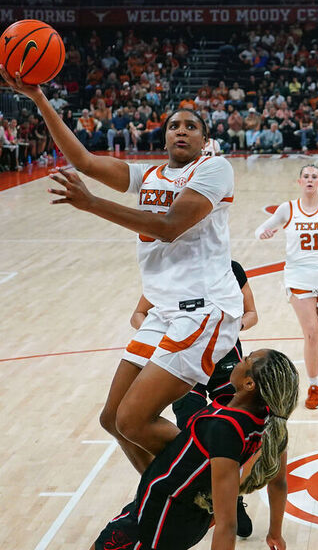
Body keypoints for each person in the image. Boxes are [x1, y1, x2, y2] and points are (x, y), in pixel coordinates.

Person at [0, 65, 243, 475]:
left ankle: (214, 482)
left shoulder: (213, 170)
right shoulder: (147, 175)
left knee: (133, 420)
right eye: (174, 126)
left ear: (205, 140)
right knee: (112, 420)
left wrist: (92, 203)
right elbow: (83, 161)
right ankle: (162, 496)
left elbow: (168, 227)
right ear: (164, 136)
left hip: (203, 310)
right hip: (164, 312)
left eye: (191, 127)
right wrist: (39, 98)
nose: (181, 131)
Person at [91, 349, 299, 550]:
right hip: (179, 514)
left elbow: (227, 525)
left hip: (158, 518)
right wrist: (275, 532)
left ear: (249, 384)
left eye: (246, 359)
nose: (240, 359)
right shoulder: (268, 421)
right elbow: (278, 483)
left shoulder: (224, 429)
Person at [131, 259, 258, 537]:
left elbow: (251, 313)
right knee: (191, 428)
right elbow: (138, 315)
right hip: (185, 356)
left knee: (232, 427)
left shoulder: (230, 268)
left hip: (224, 356)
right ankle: (196, 488)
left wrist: (233, 325)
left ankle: (231, 495)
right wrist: (163, 334)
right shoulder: (169, 268)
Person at [256, 164, 318, 409]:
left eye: (314, 176)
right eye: (305, 176)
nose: (310, 179)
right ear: (299, 182)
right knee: (311, 333)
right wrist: (264, 234)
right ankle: (314, 386)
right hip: (298, 277)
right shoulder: (288, 209)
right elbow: (259, 229)